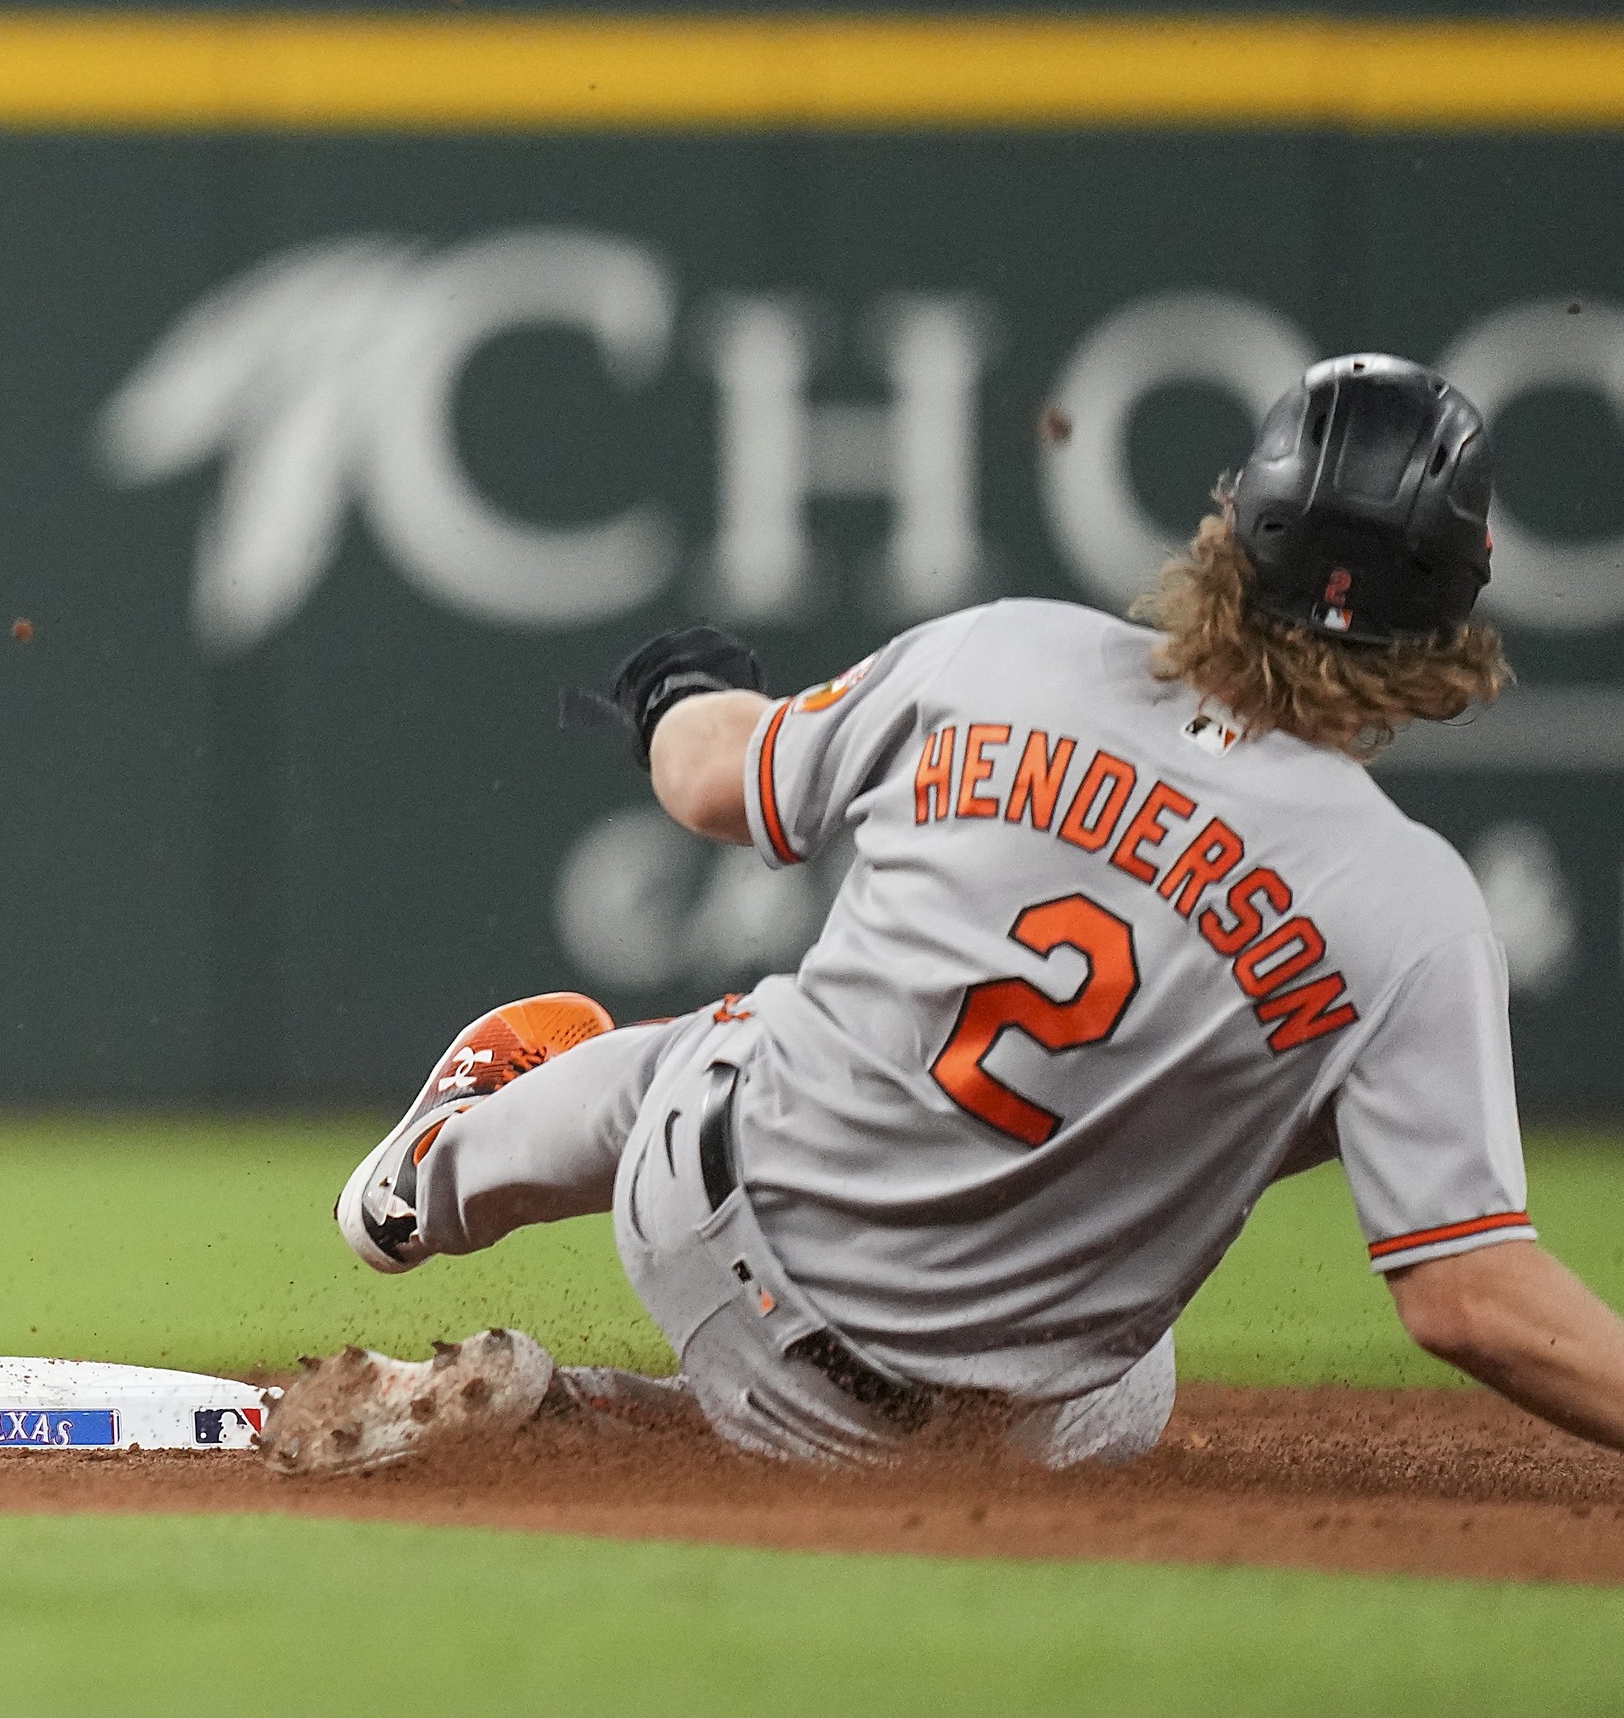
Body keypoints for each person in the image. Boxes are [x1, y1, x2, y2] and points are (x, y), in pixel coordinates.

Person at [275, 357, 1624, 1478]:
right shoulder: (1410, 911)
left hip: (703, 1225)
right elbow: (1469, 1297)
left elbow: (704, 780)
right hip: (968, 1437)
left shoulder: (1015, 656)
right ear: (1456, 617)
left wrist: (680, 687)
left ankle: (425, 1185)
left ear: (1232, 528)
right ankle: (628, 1413)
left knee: (738, 1042)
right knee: (1145, 1327)